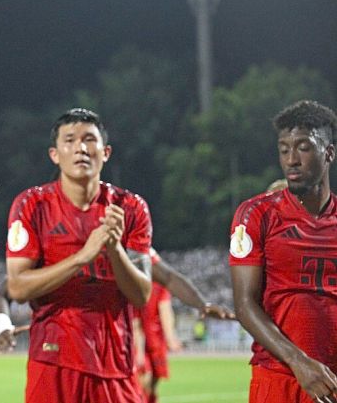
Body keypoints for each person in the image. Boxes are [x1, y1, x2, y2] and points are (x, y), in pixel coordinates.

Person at [4, 108, 153, 402]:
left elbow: (142, 294)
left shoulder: (131, 207)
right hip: (53, 360)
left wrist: (113, 248)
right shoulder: (32, 205)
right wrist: (83, 256)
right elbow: (18, 287)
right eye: (69, 140)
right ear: (55, 154)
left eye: (89, 140)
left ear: (106, 152)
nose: (81, 148)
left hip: (115, 363)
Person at [230, 100, 337, 403]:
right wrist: (299, 362)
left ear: (328, 153)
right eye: (284, 149)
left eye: (303, 147)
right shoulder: (254, 215)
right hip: (279, 378)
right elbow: (244, 304)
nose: (291, 159)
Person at [134, 248, 235, 403]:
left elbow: (164, 308)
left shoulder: (144, 278)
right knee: (144, 382)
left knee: (148, 384)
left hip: (152, 338)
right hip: (143, 338)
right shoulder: (143, 278)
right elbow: (148, 315)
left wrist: (170, 337)